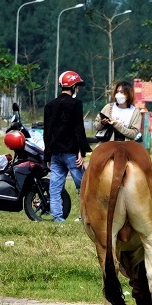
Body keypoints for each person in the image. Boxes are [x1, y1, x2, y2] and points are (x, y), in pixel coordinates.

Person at [42, 72, 92, 222]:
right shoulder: (76, 104)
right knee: (82, 187)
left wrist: (48, 155)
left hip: (55, 154)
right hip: (71, 154)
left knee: (55, 189)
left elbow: (47, 133)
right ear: (74, 86)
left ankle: (58, 219)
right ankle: (84, 216)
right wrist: (81, 152)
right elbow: (78, 129)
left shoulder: (49, 106)